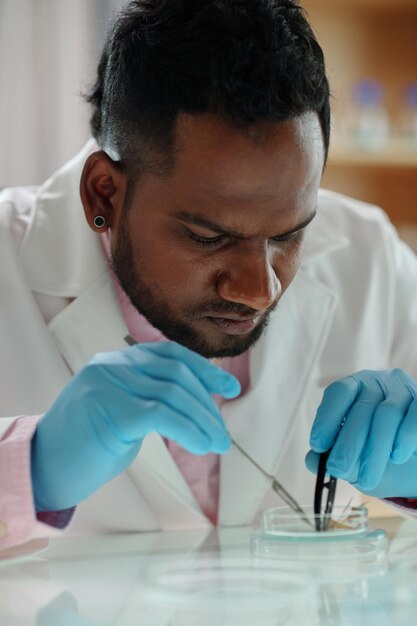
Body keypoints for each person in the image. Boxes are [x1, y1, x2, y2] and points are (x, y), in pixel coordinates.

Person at [1, 0, 417, 552]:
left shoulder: (368, 253)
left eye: (288, 235)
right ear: (104, 191)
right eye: (208, 237)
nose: (259, 290)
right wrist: (30, 468)